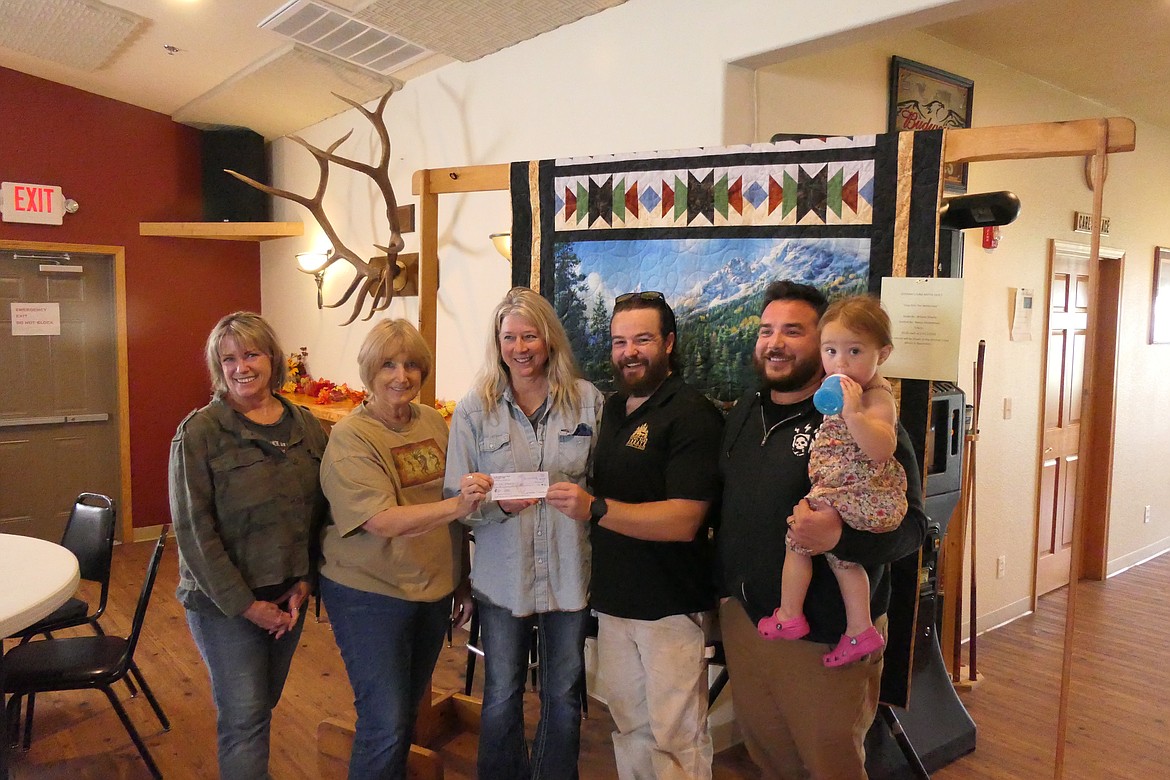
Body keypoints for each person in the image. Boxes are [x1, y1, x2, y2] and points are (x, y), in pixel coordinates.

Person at [716, 281, 927, 779]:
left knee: (830, 766)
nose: (776, 342)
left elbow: (914, 527)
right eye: (767, 331)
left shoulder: (866, 421)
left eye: (794, 330)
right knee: (770, 761)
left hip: (828, 638)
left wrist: (840, 541)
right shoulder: (747, 411)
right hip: (750, 624)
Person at [547, 291, 724, 780]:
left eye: (643, 339)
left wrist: (595, 509)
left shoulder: (691, 413)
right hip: (615, 603)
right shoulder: (615, 410)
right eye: (620, 341)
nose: (630, 352)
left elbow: (685, 519)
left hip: (669, 608)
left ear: (668, 343)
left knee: (677, 739)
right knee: (629, 728)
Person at [443, 286, 604, 780]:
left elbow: (603, 489)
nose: (520, 348)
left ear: (549, 339)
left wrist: (589, 504)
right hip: (501, 578)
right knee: (501, 694)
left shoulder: (587, 401)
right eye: (509, 337)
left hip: (568, 576)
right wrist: (491, 505)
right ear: (498, 343)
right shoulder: (474, 409)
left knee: (562, 693)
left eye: (529, 335)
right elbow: (457, 501)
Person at [318, 319, 485, 779]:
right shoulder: (352, 437)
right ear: (369, 370)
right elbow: (380, 519)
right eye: (388, 364)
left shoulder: (431, 420)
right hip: (369, 595)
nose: (401, 375)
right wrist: (458, 505)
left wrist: (461, 581)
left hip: (430, 592)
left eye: (412, 365)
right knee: (385, 722)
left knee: (408, 712)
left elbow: (442, 504)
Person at [169, 311, 328, 779]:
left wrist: (305, 581)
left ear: (273, 359)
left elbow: (317, 512)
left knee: (263, 705)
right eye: (229, 358)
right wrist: (247, 607)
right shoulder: (199, 433)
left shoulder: (307, 425)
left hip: (288, 597)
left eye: (252, 354)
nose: (242, 367)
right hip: (225, 607)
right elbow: (195, 534)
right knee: (245, 719)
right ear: (218, 367)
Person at [757, 294, 908, 668]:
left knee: (798, 539)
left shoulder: (876, 396)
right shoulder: (838, 391)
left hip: (861, 493)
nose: (840, 363)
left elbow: (881, 447)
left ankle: (790, 614)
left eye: (855, 351)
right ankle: (859, 629)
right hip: (843, 490)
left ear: (882, 354)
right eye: (831, 351)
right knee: (842, 560)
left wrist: (854, 413)